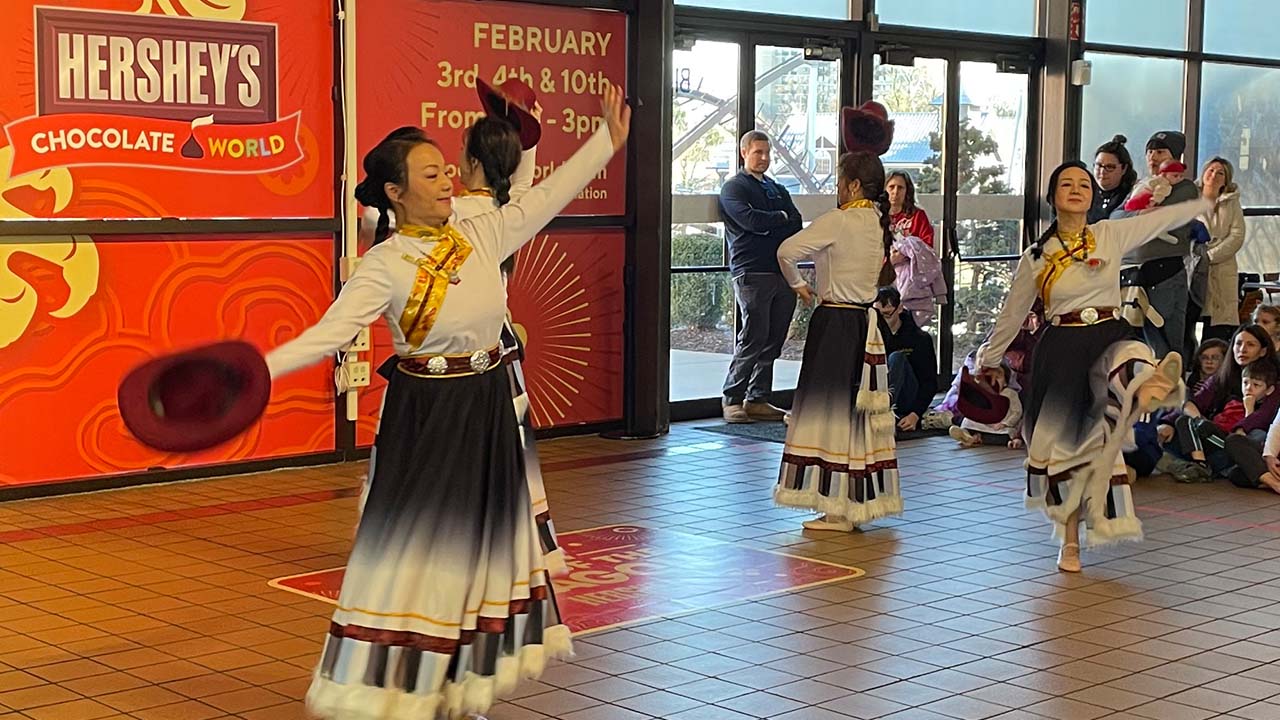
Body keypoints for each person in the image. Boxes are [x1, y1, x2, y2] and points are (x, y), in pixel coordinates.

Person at [262, 85, 630, 720]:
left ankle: (462, 690)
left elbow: (546, 195)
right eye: (429, 175)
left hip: (488, 404)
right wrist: (254, 372)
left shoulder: (480, 229)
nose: (445, 182)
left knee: (480, 554)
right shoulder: (383, 264)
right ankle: (412, 690)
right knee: (424, 557)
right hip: (427, 415)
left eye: (444, 170)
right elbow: (327, 335)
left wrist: (606, 142)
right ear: (396, 194)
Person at [978, 160, 1210, 573]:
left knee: (1129, 355)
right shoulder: (1037, 255)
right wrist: (988, 358)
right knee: (1069, 449)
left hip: (1108, 331)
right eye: (1066, 184)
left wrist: (1201, 204)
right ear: (1053, 197)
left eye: (1083, 184)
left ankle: (1152, 384)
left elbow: (1155, 221)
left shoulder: (1108, 233)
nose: (1077, 189)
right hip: (1063, 348)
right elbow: (1012, 314)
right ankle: (1069, 543)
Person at [774, 102, 901, 533]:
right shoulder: (877, 223)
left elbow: (787, 251)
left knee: (830, 411)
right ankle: (855, 502)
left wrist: (797, 285)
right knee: (857, 414)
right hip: (866, 326)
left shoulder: (841, 220)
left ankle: (835, 507)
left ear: (849, 186)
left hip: (835, 324)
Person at [719, 130, 803, 424]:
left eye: (767, 153)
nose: (764, 158)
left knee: (774, 338)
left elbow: (796, 222)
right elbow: (750, 221)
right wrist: (778, 219)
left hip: (782, 271)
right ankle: (732, 397)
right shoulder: (734, 188)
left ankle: (758, 398)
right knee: (753, 336)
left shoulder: (778, 189)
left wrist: (776, 220)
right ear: (744, 153)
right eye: (758, 153)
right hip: (751, 271)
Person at [1114, 130, 1201, 359]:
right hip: (1130, 275)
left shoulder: (1185, 187)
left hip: (1165, 274)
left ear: (1175, 157)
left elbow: (1159, 219)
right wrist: (1141, 213)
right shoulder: (1141, 186)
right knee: (1129, 345)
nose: (1153, 156)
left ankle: (1170, 392)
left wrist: (1137, 216)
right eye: (1149, 151)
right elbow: (1114, 218)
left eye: (1160, 151)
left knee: (1164, 348)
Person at [1156, 324, 1279, 482]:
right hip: (1214, 437)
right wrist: (1168, 423)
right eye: (1238, 343)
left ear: (1263, 351)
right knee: (1177, 424)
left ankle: (1193, 465)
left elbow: (1265, 416)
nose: (1242, 349)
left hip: (1242, 442)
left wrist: (1241, 428)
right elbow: (1194, 400)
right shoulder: (1222, 377)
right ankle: (1199, 465)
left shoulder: (1273, 380)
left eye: (1250, 345)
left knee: (1247, 439)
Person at [875, 285, 938, 433]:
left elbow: (929, 382)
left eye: (887, 314)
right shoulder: (870, 335)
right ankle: (877, 411)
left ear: (900, 309)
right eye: (878, 315)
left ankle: (882, 413)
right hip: (876, 393)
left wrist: (915, 414)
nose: (882, 321)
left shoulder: (919, 339)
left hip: (907, 395)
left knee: (897, 358)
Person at [1197, 157, 1245, 342]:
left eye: (1220, 173)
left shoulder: (1231, 203)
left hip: (1222, 267)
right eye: (1211, 170)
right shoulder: (1189, 198)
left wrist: (1210, 256)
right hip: (1194, 266)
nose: (1214, 175)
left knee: (1219, 326)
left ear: (1226, 179)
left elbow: (1237, 236)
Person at [889, 236, 946, 328]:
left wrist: (941, 296)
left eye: (897, 251)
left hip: (921, 300)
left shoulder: (927, 266)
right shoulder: (896, 266)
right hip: (899, 301)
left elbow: (937, 277)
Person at [1090, 135, 1137, 223]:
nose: (1103, 171)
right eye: (1098, 165)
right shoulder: (1086, 191)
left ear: (1124, 169)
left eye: (1110, 167)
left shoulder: (1131, 196)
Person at [887, 171, 935, 247]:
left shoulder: (918, 216)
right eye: (891, 187)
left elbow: (927, 247)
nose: (895, 192)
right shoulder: (876, 214)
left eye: (900, 188)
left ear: (907, 191)